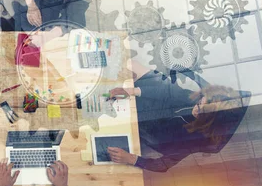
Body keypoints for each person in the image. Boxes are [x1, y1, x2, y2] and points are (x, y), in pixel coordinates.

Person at [106, 64, 247, 173]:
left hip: (148, 126)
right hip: (157, 99)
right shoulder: (200, 98)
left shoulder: (192, 141)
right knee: (130, 65)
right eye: (200, 102)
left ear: (206, 123)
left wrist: (131, 159)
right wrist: (131, 91)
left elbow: (162, 166)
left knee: (114, 117)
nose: (196, 107)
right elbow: (169, 92)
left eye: (200, 110)